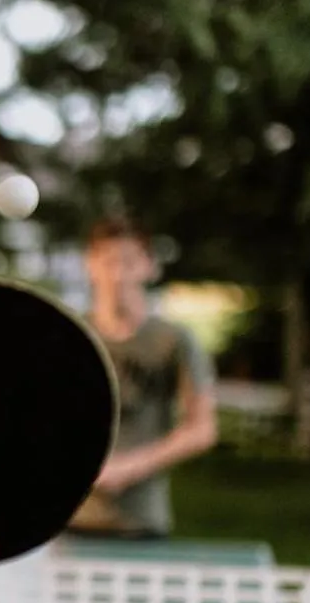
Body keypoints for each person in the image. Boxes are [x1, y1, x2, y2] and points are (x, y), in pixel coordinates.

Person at [68, 214, 219, 539]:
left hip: (142, 522)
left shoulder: (174, 340)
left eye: (129, 261)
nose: (119, 274)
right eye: (108, 261)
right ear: (89, 265)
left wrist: (131, 466)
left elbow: (203, 428)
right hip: (70, 518)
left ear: (150, 266)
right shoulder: (70, 336)